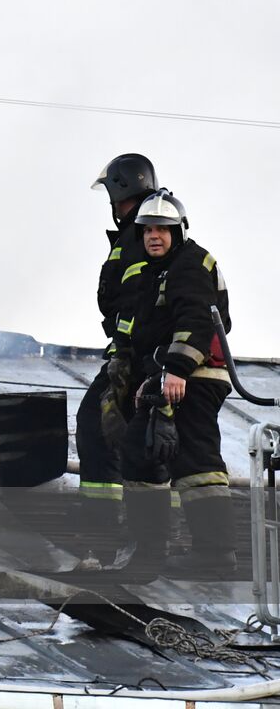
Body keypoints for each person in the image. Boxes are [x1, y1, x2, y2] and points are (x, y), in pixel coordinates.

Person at [110, 189, 235, 576]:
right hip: (164, 376)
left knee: (195, 459)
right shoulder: (153, 273)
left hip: (195, 375)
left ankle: (215, 554)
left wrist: (178, 369)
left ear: (178, 231)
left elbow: (198, 319)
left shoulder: (190, 264)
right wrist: (126, 360)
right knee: (141, 452)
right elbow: (143, 329)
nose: (154, 236)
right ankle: (149, 550)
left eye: (163, 230)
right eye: (148, 230)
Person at [73, 153, 158, 569]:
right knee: (117, 437)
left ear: (124, 190)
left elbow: (144, 302)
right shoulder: (139, 234)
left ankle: (106, 542)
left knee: (98, 429)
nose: (111, 203)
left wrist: (132, 359)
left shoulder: (145, 234)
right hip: (132, 358)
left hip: (139, 361)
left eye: (113, 194)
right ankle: (123, 543)